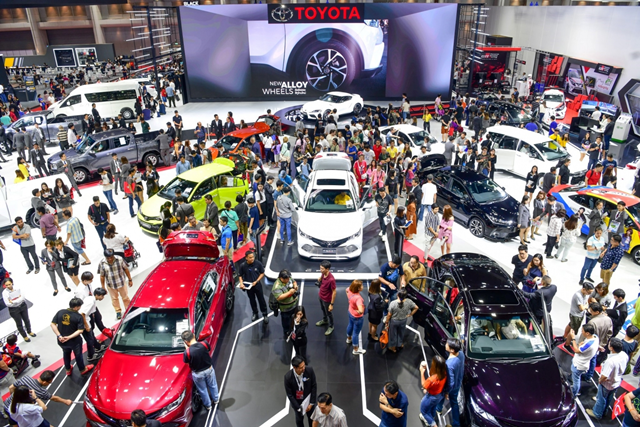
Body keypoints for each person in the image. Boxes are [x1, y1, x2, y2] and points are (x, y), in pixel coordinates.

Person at [3, 370, 72, 422]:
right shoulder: (41, 391)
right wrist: (65, 401)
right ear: (44, 382)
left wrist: (14, 397)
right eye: (49, 382)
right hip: (17, 412)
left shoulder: (25, 378)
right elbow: (53, 398)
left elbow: (11, 388)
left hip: (6, 405)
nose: (49, 384)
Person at [51, 297, 95, 376]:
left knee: (66, 353)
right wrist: (69, 337)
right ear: (76, 307)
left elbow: (52, 324)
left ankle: (68, 369)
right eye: (80, 306)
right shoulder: (78, 316)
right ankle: (82, 369)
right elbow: (80, 330)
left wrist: (59, 335)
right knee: (78, 355)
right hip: (75, 342)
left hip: (62, 341)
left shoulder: (60, 312)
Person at [587, 338, 628, 420]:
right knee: (609, 397)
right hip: (616, 382)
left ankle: (597, 413)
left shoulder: (610, 361)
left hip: (607, 383)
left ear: (611, 348)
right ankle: (605, 411)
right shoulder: (624, 355)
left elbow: (605, 376)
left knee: (601, 398)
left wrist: (600, 380)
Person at [181, 330, 219, 411]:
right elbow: (207, 351)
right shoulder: (204, 344)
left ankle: (208, 405)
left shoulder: (187, 352)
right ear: (194, 336)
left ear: (186, 342)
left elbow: (187, 363)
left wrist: (187, 349)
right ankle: (216, 399)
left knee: (203, 390)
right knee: (213, 385)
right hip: (209, 369)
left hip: (198, 374)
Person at [98, 249, 133, 320]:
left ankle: (128, 309)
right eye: (108, 258)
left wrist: (130, 279)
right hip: (111, 285)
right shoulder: (102, 263)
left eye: (111, 257)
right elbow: (102, 276)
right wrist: (103, 287)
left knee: (125, 298)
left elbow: (126, 269)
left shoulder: (120, 259)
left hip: (121, 283)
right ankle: (118, 311)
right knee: (114, 299)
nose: (110, 259)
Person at [285, 356, 317, 427]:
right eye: (301, 367)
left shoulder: (309, 370)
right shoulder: (288, 377)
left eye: (304, 366)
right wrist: (298, 408)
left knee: (311, 419)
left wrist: (311, 403)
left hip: (309, 401)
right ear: (294, 367)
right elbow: (290, 395)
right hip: (298, 404)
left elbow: (314, 386)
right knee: (299, 421)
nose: (303, 368)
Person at [238, 251, 269, 324]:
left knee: (261, 300)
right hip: (249, 287)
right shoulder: (243, 266)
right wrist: (241, 283)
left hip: (257, 285)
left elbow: (262, 273)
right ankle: (255, 313)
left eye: (253, 257)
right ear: (246, 258)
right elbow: (240, 275)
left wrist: (257, 281)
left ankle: (265, 314)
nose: (252, 259)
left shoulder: (258, 264)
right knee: (252, 300)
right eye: (250, 257)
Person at [569, 323, 598, 396]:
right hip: (583, 363)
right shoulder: (595, 337)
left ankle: (574, 393)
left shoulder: (589, 344)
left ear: (587, 333)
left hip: (579, 365)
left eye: (582, 331)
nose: (581, 332)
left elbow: (576, 350)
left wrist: (573, 338)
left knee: (576, 381)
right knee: (576, 378)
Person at [419, 356, 447, 427]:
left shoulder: (432, 379)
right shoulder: (444, 373)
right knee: (433, 407)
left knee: (424, 411)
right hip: (439, 395)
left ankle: (433, 424)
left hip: (431, 397)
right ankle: (432, 417)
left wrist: (422, 372)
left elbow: (424, 385)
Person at [272, 269, 299, 339]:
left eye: (288, 278)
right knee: (286, 320)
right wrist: (290, 292)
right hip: (285, 308)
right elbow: (279, 297)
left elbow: (293, 281)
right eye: (286, 279)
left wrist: (295, 285)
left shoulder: (288, 278)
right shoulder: (277, 287)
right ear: (281, 278)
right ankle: (287, 331)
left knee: (294, 317)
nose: (288, 280)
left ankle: (293, 327)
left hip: (294, 304)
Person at [315, 260, 336, 336]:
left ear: (327, 269)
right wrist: (320, 278)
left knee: (329, 313)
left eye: (322, 269)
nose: (320, 270)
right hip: (321, 296)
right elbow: (321, 277)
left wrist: (331, 304)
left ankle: (331, 326)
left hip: (327, 299)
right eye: (320, 268)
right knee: (323, 309)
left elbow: (334, 292)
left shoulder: (331, 280)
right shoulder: (323, 273)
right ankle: (325, 320)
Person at [346, 280, 366, 355]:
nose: (362, 287)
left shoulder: (349, 290)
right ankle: (355, 349)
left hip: (350, 312)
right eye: (361, 286)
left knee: (350, 325)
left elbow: (346, 290)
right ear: (358, 288)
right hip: (357, 317)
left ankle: (348, 339)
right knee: (356, 333)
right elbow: (361, 311)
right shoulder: (358, 299)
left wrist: (351, 304)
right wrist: (358, 310)